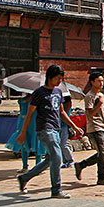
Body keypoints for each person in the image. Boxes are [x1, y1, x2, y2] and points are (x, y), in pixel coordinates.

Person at [15, 65, 84, 198]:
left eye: (61, 79)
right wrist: (23, 132)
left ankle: (24, 178)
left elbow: (62, 112)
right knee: (57, 157)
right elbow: (29, 114)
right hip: (44, 129)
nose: (59, 81)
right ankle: (56, 189)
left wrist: (74, 126)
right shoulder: (39, 93)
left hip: (56, 129)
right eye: (58, 78)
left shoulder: (58, 93)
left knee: (50, 159)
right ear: (50, 77)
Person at [74, 71, 104, 186]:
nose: (101, 83)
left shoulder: (101, 96)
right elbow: (90, 114)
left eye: (102, 81)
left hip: (103, 128)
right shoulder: (89, 96)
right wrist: (98, 104)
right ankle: (101, 177)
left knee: (101, 154)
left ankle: (81, 165)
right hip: (94, 128)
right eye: (99, 81)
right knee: (102, 154)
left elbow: (103, 114)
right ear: (92, 82)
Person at [6, 92, 44, 173]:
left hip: (31, 124)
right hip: (27, 124)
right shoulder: (24, 100)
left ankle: (35, 167)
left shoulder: (34, 100)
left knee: (35, 145)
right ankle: (28, 166)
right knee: (27, 145)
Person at [59, 94, 74, 168]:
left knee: (63, 144)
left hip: (64, 125)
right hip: (59, 125)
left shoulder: (66, 104)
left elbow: (63, 113)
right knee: (60, 144)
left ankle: (70, 160)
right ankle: (65, 161)